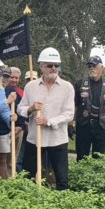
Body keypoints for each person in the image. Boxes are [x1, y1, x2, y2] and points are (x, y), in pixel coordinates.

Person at [18, 47, 74, 190]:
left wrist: (48, 122)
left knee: (62, 179)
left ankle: (62, 202)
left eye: (57, 65)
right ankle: (28, 200)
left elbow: (69, 114)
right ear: (42, 66)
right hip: (35, 139)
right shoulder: (30, 86)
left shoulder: (67, 87)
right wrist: (31, 108)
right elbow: (20, 108)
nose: (54, 68)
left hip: (58, 139)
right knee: (27, 177)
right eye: (50, 65)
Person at [74, 55, 105, 160]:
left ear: (102, 68)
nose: (91, 68)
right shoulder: (80, 84)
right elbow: (75, 105)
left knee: (99, 158)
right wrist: (70, 123)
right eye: (89, 66)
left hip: (102, 126)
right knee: (82, 157)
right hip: (84, 125)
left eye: (94, 66)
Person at [0, 66, 26, 179]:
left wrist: (20, 125)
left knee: (8, 160)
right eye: (7, 76)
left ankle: (8, 182)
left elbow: (21, 110)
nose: (10, 79)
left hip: (11, 130)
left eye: (14, 77)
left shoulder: (15, 92)